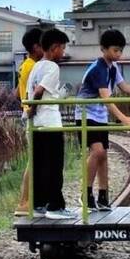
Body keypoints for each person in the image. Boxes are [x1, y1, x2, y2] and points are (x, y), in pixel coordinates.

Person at [75, 29, 130, 211]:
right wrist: (123, 118)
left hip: (98, 116)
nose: (118, 54)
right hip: (86, 114)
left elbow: (125, 87)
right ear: (103, 49)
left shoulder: (113, 68)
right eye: (115, 50)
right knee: (98, 152)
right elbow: (106, 98)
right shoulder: (98, 68)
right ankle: (86, 193)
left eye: (120, 50)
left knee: (104, 156)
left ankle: (103, 195)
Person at [27, 29, 76, 220]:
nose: (63, 52)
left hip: (37, 125)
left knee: (40, 165)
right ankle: (55, 206)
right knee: (54, 166)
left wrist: (31, 114)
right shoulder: (52, 68)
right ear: (54, 48)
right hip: (50, 122)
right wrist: (33, 109)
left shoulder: (36, 67)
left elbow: (34, 92)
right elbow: (39, 92)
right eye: (62, 48)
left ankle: (39, 204)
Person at [14, 28, 44, 217]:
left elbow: (18, 92)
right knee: (34, 162)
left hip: (30, 116)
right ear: (36, 47)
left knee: (35, 161)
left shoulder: (25, 65)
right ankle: (24, 202)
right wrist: (30, 109)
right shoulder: (32, 66)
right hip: (33, 117)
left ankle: (29, 201)